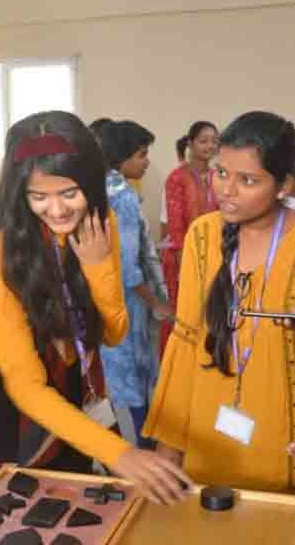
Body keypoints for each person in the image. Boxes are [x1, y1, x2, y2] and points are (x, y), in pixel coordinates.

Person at [0, 110, 191, 505]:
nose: (56, 210)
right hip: (13, 398)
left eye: (69, 193)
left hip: (74, 377)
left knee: (77, 503)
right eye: (39, 197)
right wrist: (119, 453)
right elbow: (25, 384)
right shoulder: (1, 248)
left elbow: (112, 332)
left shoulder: (100, 226)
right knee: (20, 510)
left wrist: (98, 266)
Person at [144, 111, 295, 495]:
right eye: (221, 173)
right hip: (208, 446)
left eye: (247, 180)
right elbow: (185, 344)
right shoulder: (202, 237)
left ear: (283, 186)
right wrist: (169, 448)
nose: (226, 190)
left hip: (289, 450)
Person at [98, 120, 171, 448]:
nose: (146, 162)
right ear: (122, 156)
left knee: (108, 377)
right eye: (142, 154)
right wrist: (155, 301)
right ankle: (143, 449)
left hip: (99, 296)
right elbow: (128, 267)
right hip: (124, 302)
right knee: (132, 376)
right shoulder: (122, 195)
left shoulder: (94, 188)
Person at [159, 121, 219, 355]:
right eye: (203, 141)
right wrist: (188, 264)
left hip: (214, 255)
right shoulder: (177, 178)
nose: (209, 146)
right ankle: (176, 367)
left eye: (214, 141)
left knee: (210, 313)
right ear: (191, 144)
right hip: (181, 259)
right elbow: (175, 226)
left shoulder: (218, 176)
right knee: (183, 314)